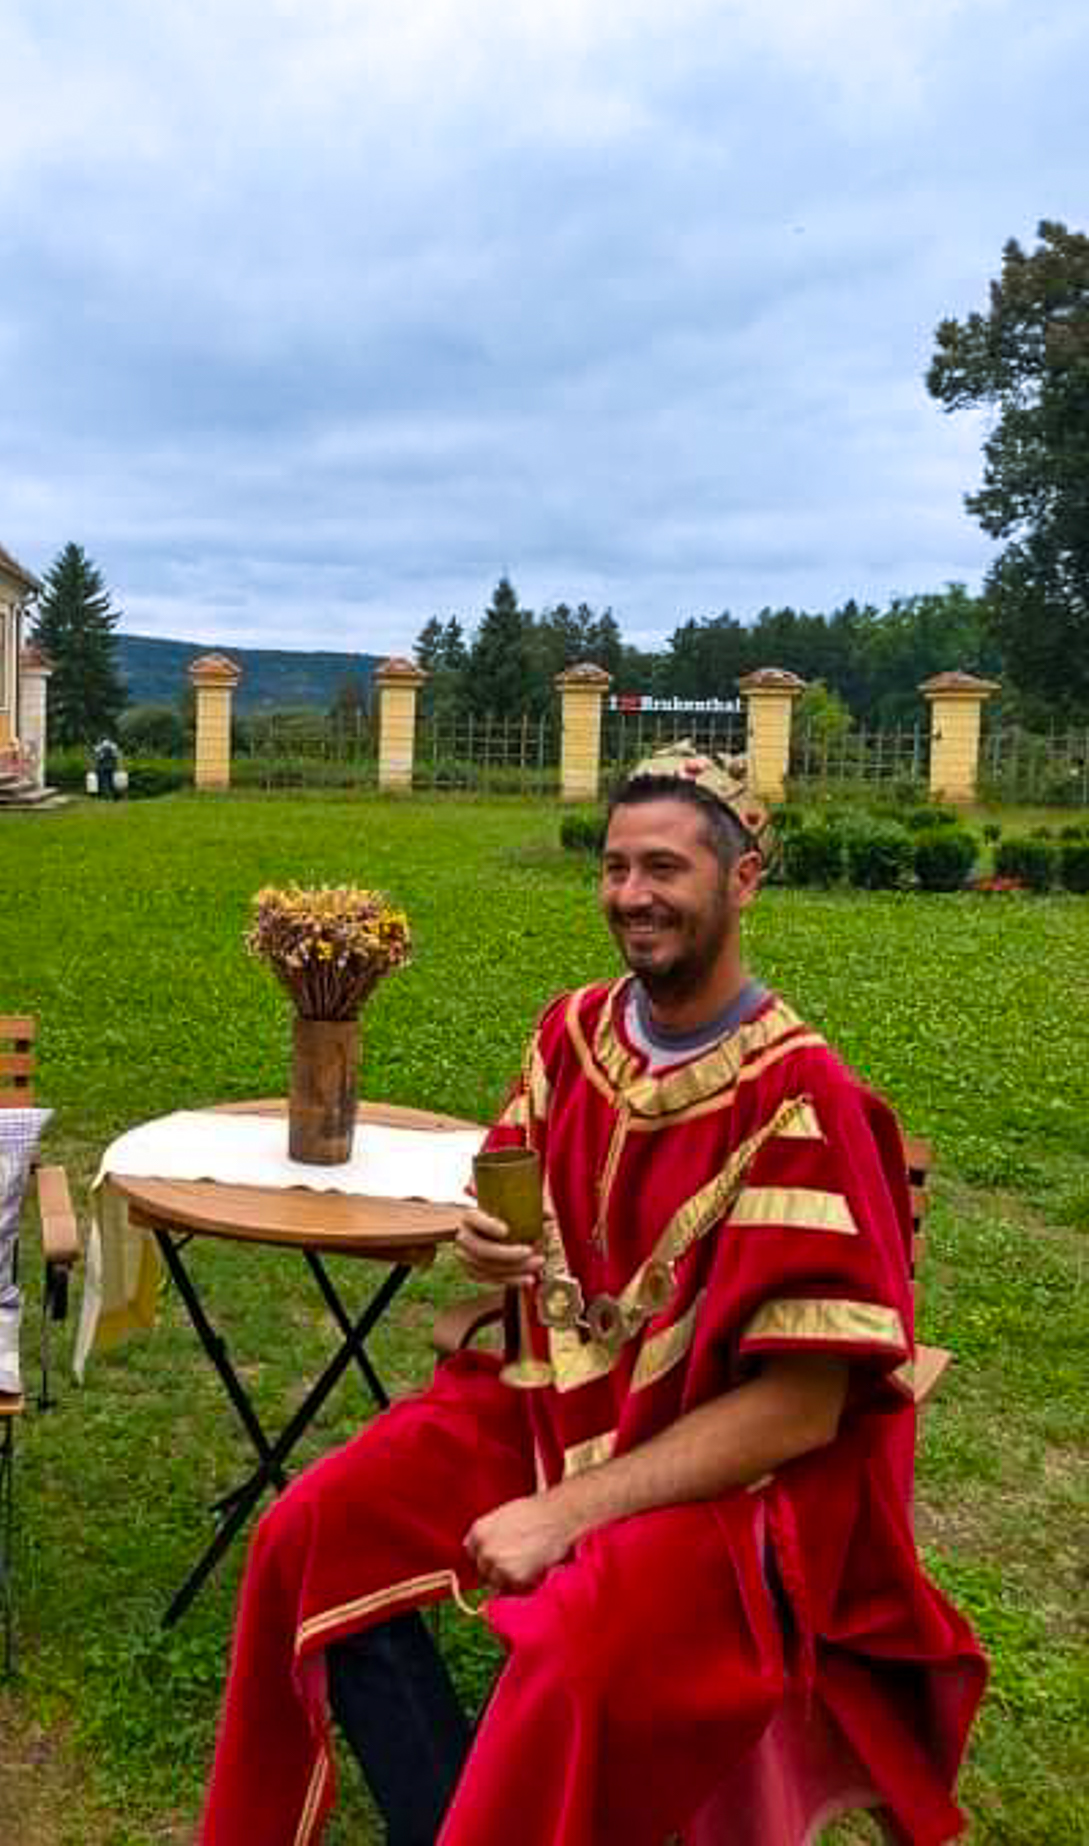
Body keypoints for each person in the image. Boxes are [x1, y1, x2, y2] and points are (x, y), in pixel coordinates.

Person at [199, 748, 986, 1846]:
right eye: (613, 866)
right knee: (306, 1531)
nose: (629, 894)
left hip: (718, 1482)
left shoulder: (799, 1094)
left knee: (569, 1652)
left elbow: (802, 1408)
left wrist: (565, 1511)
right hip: (538, 1401)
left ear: (742, 878)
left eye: (662, 866)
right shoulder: (571, 1035)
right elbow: (512, 1208)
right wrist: (485, 1243)